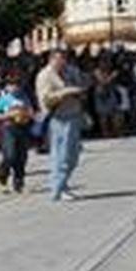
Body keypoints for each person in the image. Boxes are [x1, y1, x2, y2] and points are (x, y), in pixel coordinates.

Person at [35, 49, 90, 201]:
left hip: (74, 115)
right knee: (61, 155)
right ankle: (58, 189)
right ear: (50, 60)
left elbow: (82, 85)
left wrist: (80, 90)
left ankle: (62, 184)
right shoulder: (44, 76)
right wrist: (65, 92)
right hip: (59, 118)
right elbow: (45, 100)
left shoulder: (70, 71)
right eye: (58, 59)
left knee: (73, 155)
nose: (61, 62)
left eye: (63, 59)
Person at [0, 73, 34, 194]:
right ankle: (2, 175)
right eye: (11, 85)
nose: (14, 88)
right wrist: (9, 115)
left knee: (22, 156)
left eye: (16, 85)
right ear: (6, 86)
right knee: (10, 154)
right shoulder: (4, 97)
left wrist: (27, 114)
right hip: (8, 127)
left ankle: (19, 181)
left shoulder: (24, 96)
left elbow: (31, 110)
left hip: (23, 127)